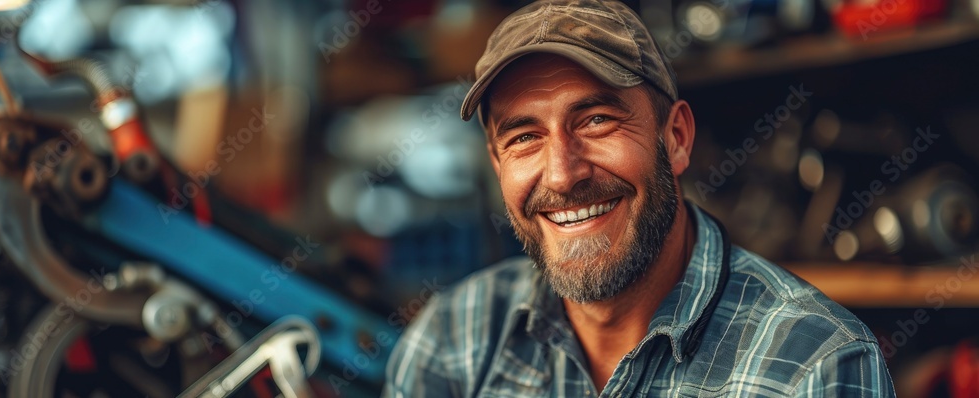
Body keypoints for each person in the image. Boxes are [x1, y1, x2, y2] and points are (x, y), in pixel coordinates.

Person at [383, 0, 895, 396]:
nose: (561, 175)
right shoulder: (452, 340)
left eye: (596, 120)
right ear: (498, 165)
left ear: (675, 138)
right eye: (524, 138)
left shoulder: (813, 365)